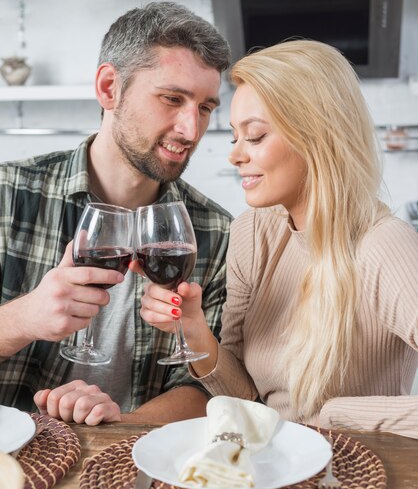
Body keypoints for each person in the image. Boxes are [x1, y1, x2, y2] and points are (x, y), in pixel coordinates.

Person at [140, 39, 418, 439]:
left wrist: (337, 416)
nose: (235, 156)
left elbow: (326, 418)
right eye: (235, 137)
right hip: (271, 468)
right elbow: (245, 397)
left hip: (356, 478)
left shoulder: (384, 246)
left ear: (317, 137)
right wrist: (195, 329)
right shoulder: (253, 233)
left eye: (254, 137)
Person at [0, 2, 232, 424]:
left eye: (205, 107)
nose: (191, 130)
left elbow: (204, 389)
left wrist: (115, 425)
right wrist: (24, 318)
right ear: (109, 88)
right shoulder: (8, 195)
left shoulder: (215, 231)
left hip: (136, 462)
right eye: (172, 99)